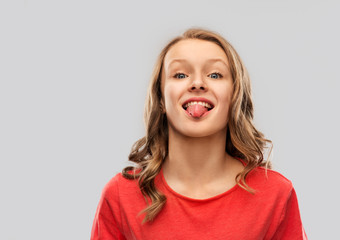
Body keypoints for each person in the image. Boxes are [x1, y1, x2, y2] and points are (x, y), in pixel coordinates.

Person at [91, 28, 307, 240]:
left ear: (234, 97)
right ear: (160, 99)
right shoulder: (120, 195)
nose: (197, 84)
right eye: (180, 74)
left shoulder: (275, 193)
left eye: (214, 74)